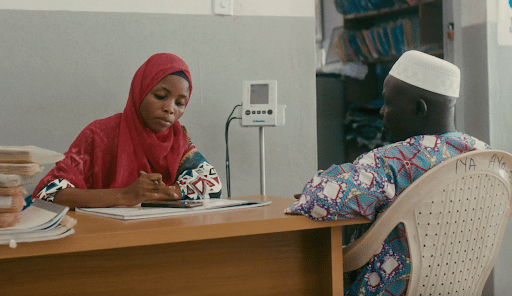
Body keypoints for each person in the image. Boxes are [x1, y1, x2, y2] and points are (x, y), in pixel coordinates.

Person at [286, 50, 488, 295]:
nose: (381, 112)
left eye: (388, 102)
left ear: (418, 108)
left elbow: (317, 202)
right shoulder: (485, 158)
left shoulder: (392, 163)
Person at [33, 53, 221, 209]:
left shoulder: (177, 140)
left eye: (180, 103)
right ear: (139, 91)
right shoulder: (100, 135)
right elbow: (48, 194)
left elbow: (213, 184)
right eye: (161, 96)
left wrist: (173, 191)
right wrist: (124, 195)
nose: (170, 109)